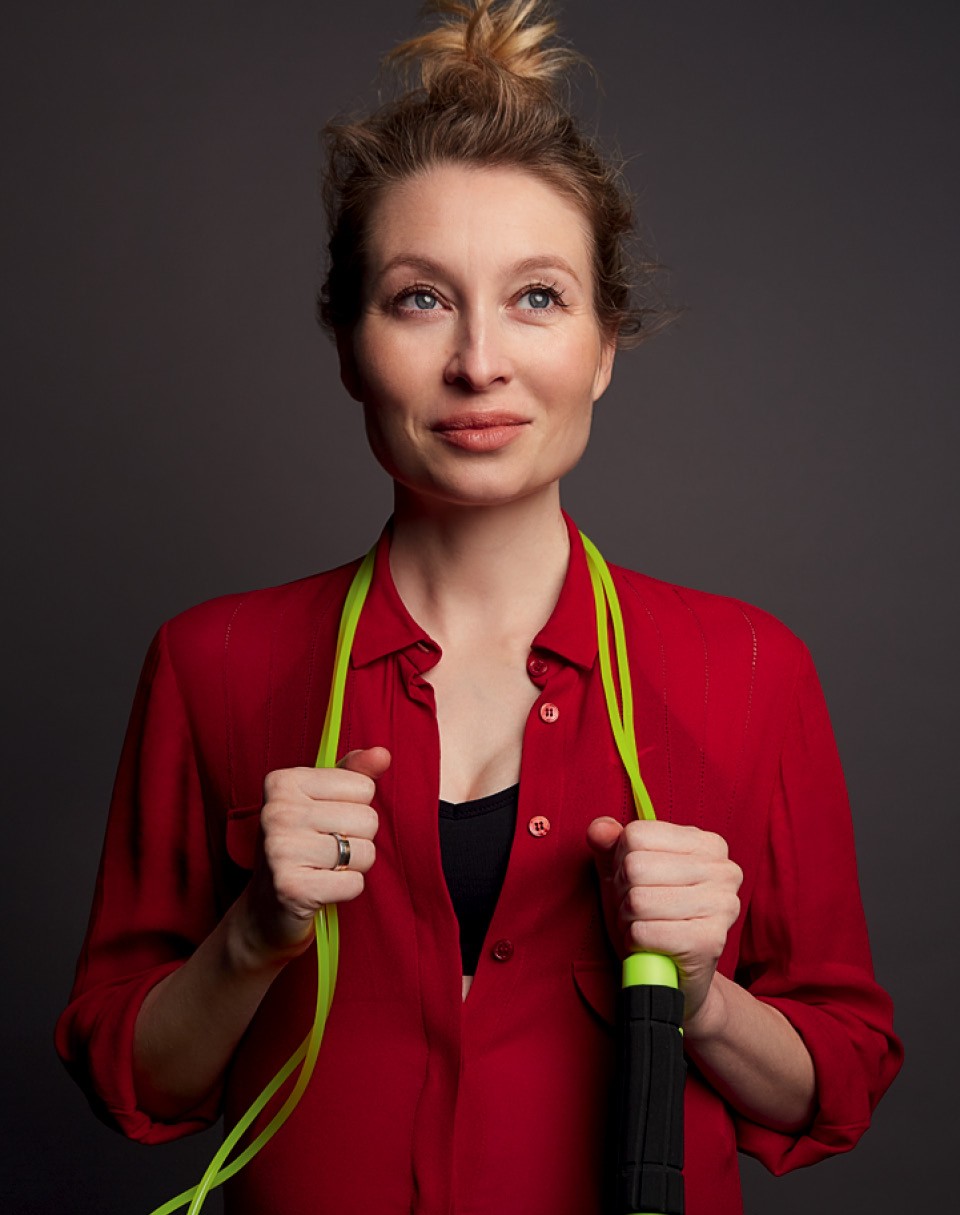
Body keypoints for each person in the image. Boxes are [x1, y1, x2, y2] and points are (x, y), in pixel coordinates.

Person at [56, 3, 901, 1212]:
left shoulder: (753, 668)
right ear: (348, 346)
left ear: (606, 345)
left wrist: (704, 996)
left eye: (538, 298)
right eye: (420, 299)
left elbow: (836, 1081)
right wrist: (252, 935)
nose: (479, 363)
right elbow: (137, 1084)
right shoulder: (214, 661)